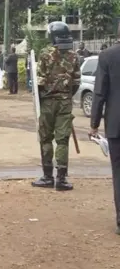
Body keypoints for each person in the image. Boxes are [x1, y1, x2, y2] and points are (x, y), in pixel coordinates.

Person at [31, 21, 80, 191]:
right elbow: (76, 82)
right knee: (62, 140)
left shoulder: (45, 54)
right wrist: (66, 97)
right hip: (65, 102)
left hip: (47, 102)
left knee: (46, 138)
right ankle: (61, 179)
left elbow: (39, 82)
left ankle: (47, 177)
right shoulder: (74, 56)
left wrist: (44, 98)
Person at [89, 41, 120, 234]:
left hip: (117, 125)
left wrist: (94, 124)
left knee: (118, 172)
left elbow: (99, 93)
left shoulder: (107, 56)